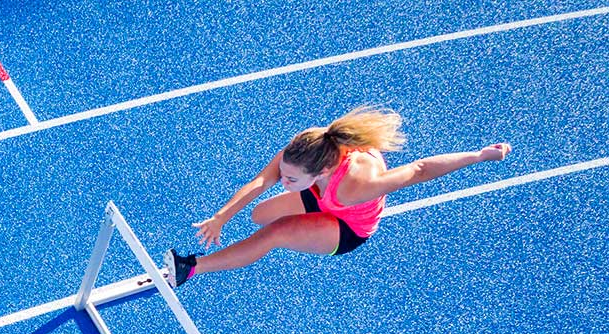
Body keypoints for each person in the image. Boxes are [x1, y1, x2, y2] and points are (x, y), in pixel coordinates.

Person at [164, 106, 511, 286]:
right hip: (322, 194)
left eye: (290, 179)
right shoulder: (307, 146)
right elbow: (261, 181)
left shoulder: (358, 184)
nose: (282, 181)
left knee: (274, 232)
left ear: (322, 173)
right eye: (284, 173)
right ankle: (289, 221)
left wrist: (479, 156)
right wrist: (222, 216)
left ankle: (191, 269)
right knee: (259, 214)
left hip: (350, 224)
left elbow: (420, 170)